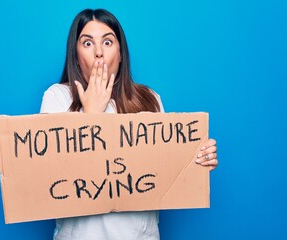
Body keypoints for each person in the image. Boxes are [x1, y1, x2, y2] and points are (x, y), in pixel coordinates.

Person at [40, 8, 218, 240]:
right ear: (75, 56)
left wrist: (196, 160)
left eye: (107, 42)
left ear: (121, 53)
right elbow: (50, 175)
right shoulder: (58, 97)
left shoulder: (149, 99)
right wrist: (92, 113)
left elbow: (166, 170)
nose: (99, 53)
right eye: (87, 43)